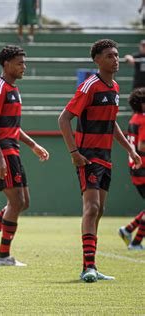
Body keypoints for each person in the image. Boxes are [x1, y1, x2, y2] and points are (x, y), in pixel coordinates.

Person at [58, 39, 142, 282]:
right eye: (109, 56)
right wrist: (74, 153)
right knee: (92, 208)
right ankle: (88, 268)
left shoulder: (114, 87)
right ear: (97, 60)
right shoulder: (89, 86)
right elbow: (64, 119)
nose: (115, 59)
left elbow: (111, 122)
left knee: (99, 209)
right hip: (88, 157)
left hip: (105, 157)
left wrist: (130, 150)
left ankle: (90, 265)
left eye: (116, 55)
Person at [0, 45, 49, 267]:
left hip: (12, 149)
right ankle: (3, 256)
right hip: (2, 151)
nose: (24, 67)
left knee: (22, 202)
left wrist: (33, 145)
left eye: (24, 62)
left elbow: (12, 126)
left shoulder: (13, 89)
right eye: (19, 63)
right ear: (6, 64)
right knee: (16, 201)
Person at [118, 87, 145, 250]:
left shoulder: (134, 118)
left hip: (135, 168)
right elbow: (142, 145)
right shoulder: (143, 120)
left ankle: (128, 231)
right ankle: (134, 241)